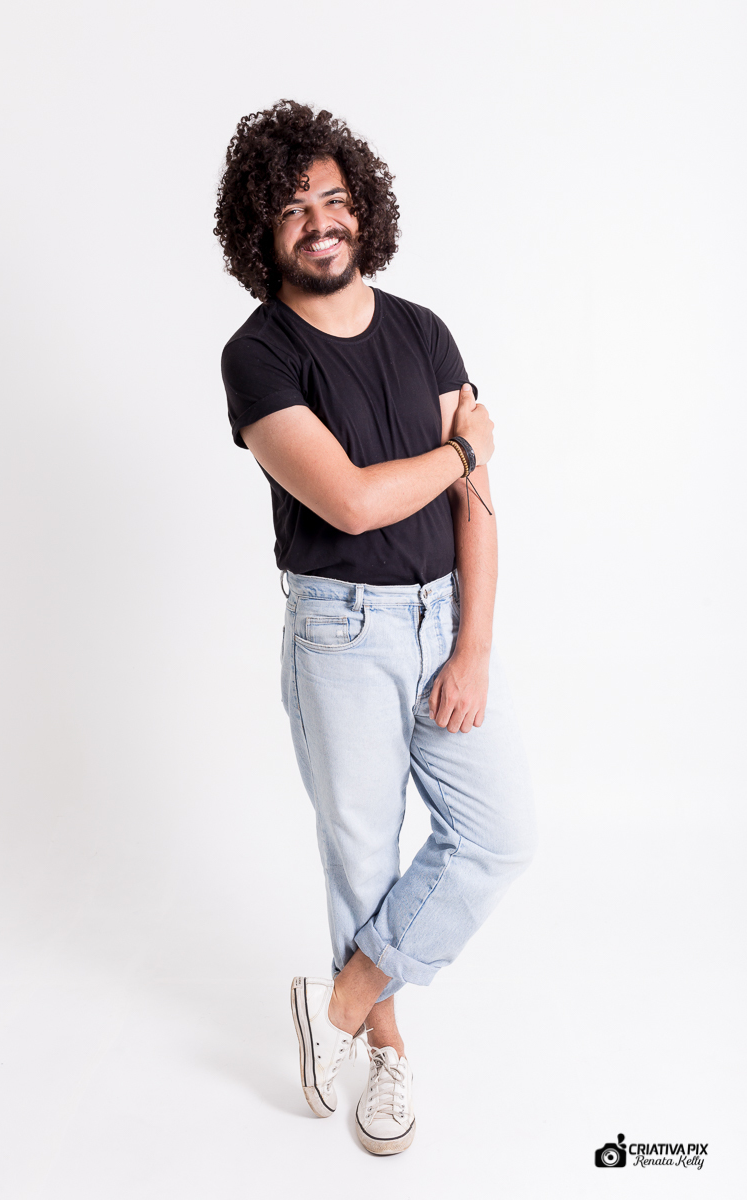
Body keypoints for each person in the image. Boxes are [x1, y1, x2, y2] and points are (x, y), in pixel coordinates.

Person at [215, 100, 537, 1156]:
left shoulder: (423, 331)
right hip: (339, 632)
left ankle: (341, 1007)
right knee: (362, 855)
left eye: (332, 198)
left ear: (363, 207)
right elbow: (351, 503)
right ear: (262, 230)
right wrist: (463, 449)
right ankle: (386, 1054)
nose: (320, 222)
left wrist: (472, 647)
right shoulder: (258, 356)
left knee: (497, 834)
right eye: (293, 207)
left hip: (444, 613)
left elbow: (474, 509)